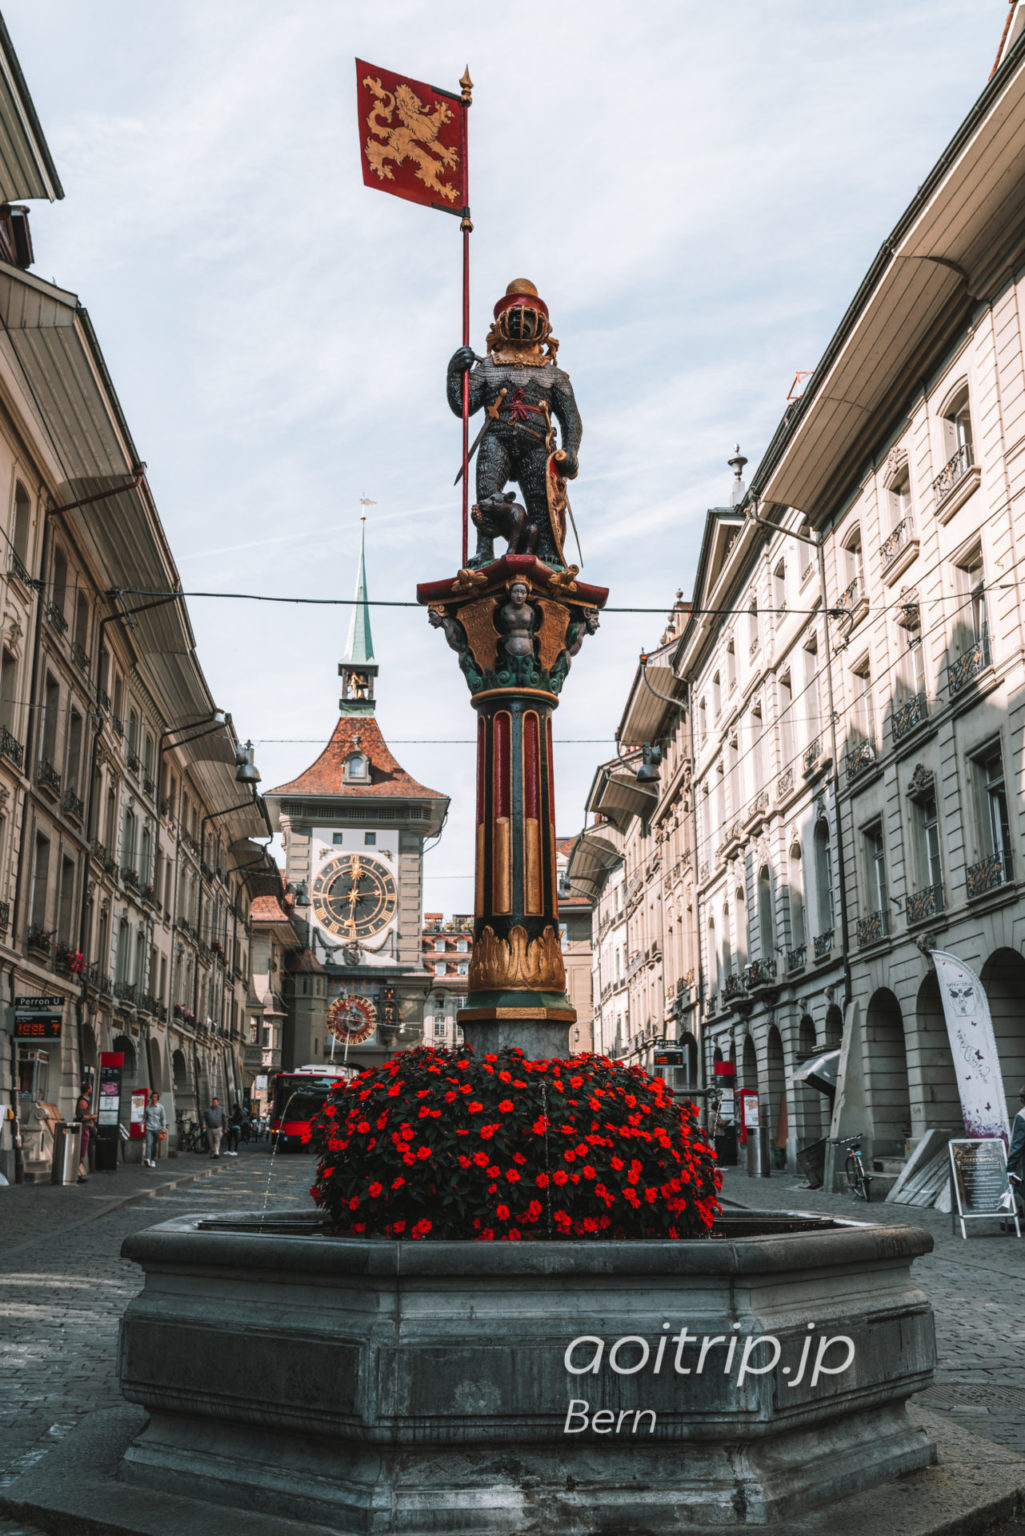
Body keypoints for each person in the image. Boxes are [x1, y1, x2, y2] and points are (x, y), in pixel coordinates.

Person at [75, 1084, 96, 1184]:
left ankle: (77, 1173)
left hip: (86, 1127)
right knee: (81, 1151)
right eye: (90, 1087)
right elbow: (81, 1117)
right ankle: (76, 1174)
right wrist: (93, 1117)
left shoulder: (86, 1100)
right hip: (83, 1128)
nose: (91, 1089)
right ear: (87, 1090)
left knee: (82, 1152)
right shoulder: (83, 1101)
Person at [143, 1091, 167, 1168]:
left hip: (157, 1128)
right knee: (149, 1143)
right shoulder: (148, 1107)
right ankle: (147, 1159)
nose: (154, 1098)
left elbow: (163, 1119)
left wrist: (163, 1128)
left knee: (154, 1145)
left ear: (157, 1098)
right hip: (149, 1128)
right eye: (153, 1097)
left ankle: (153, 1160)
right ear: (151, 1098)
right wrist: (142, 1122)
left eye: (155, 1097)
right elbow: (145, 1117)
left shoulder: (161, 1107)